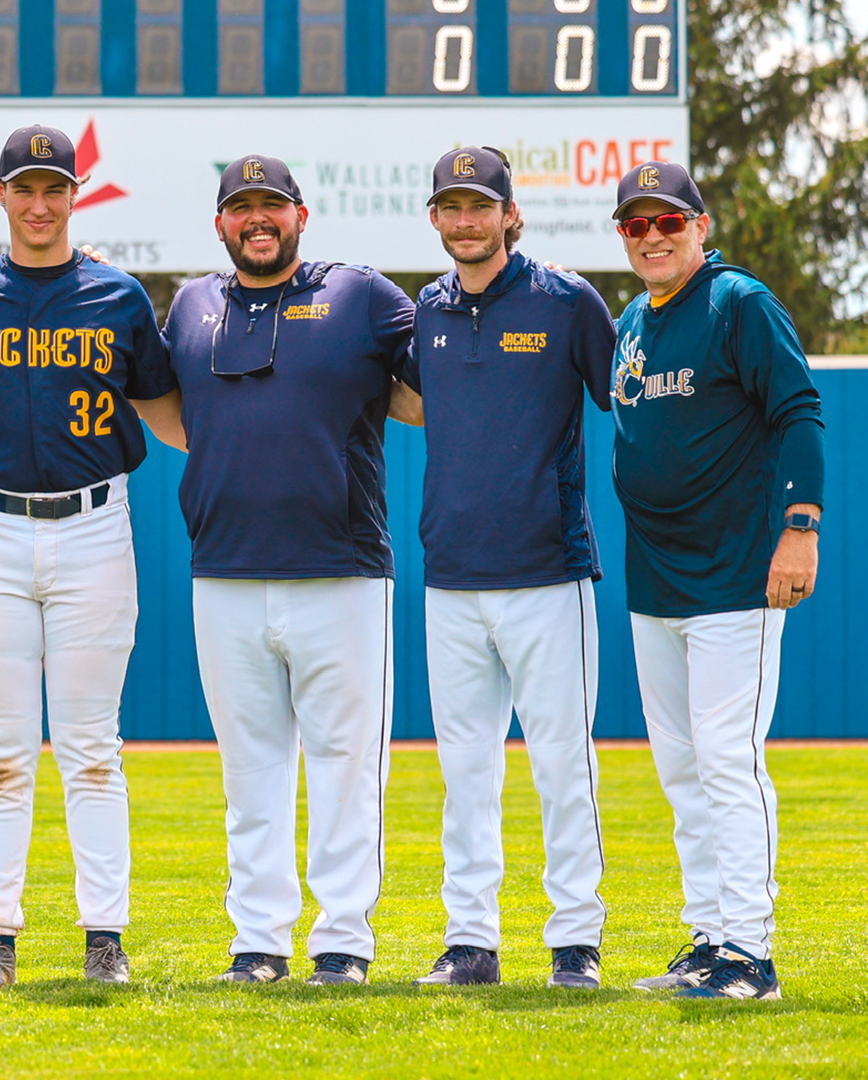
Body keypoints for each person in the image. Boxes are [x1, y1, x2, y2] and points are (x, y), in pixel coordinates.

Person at [0, 124, 179, 987]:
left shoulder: (119, 298)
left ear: (75, 194)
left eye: (54, 186)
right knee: (0, 751)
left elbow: (170, 412)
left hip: (96, 524)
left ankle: (105, 935)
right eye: (24, 186)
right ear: (1, 195)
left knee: (94, 745)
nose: (40, 201)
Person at [161, 155, 416, 987]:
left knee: (349, 765)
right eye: (242, 207)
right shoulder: (192, 304)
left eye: (272, 205)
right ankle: (260, 943)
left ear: (301, 215)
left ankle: (343, 942)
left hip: (340, 569)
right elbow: (175, 411)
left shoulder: (361, 296)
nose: (257, 219)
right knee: (250, 772)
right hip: (224, 569)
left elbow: (441, 369)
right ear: (221, 223)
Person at [402, 146, 615, 989]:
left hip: (547, 574)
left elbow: (625, 401)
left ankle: (576, 944)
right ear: (435, 219)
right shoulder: (427, 309)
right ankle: (471, 943)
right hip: (451, 577)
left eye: (479, 205)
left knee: (565, 764)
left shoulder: (568, 302)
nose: (465, 220)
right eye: (450, 206)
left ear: (509, 213)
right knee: (466, 773)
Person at [610, 161, 823, 1001]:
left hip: (737, 576)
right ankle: (708, 937)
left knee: (729, 761)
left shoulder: (740, 303)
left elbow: (800, 411)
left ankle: (751, 954)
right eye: (637, 224)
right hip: (654, 581)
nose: (654, 236)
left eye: (669, 221)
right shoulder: (634, 317)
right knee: (681, 767)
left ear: (701, 225)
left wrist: (800, 528)